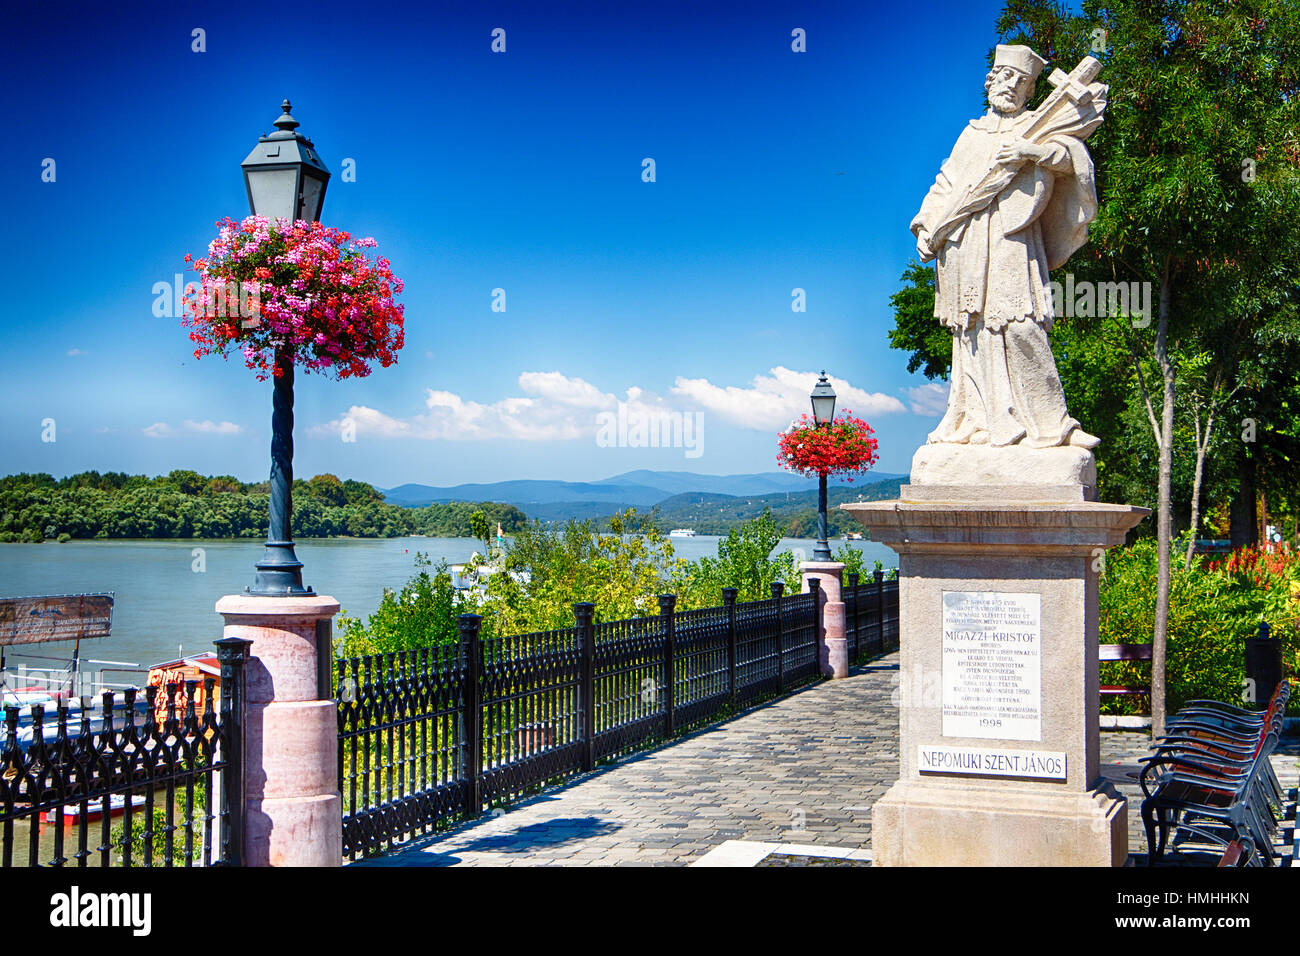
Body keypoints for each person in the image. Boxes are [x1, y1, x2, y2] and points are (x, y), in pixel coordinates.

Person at [911, 44, 1105, 449]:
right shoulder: (972, 133)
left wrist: (1030, 152)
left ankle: (1053, 425)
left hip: (1012, 239)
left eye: (1022, 81)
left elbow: (1072, 158)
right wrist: (927, 226)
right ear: (990, 82)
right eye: (1004, 77)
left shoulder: (1039, 124)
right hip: (964, 243)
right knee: (972, 330)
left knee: (1021, 325)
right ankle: (979, 421)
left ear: (1031, 90)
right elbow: (946, 183)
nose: (1011, 86)